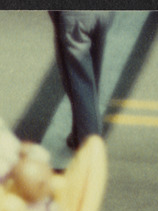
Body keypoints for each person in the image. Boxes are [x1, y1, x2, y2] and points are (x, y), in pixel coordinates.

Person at [49, 11, 115, 151]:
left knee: (80, 84)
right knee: (91, 77)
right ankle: (79, 134)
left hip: (76, 15)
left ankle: (89, 147)